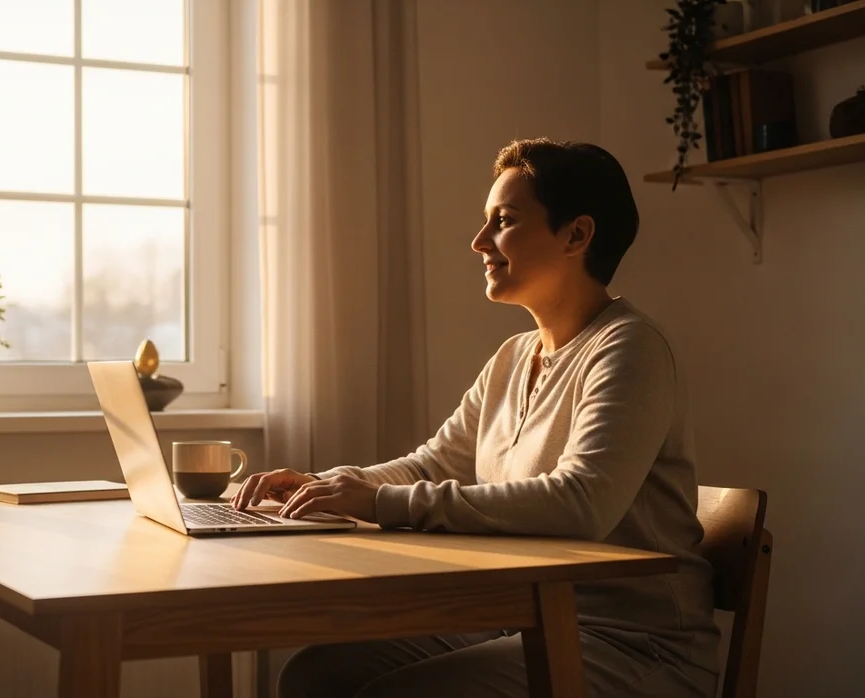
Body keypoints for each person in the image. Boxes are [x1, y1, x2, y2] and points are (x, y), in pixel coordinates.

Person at [232, 138, 720, 698]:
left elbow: (581, 502)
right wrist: (331, 485)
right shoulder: (513, 356)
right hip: (524, 618)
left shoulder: (631, 349)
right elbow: (436, 463)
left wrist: (376, 503)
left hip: (632, 645)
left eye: (504, 221)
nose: (479, 242)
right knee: (313, 675)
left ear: (576, 235)